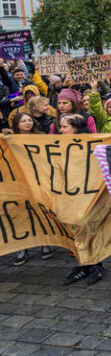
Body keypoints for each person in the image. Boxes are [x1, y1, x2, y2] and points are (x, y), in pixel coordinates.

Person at [60, 114, 106, 285]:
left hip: (88, 193)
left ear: (76, 128)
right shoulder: (58, 143)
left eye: (64, 127)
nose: (60, 130)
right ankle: (83, 264)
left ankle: (96, 265)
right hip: (69, 193)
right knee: (76, 230)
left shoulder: (91, 144)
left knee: (90, 229)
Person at [6, 112, 53, 265]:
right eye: (23, 121)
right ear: (16, 124)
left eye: (29, 120)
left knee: (40, 211)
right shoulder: (9, 139)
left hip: (37, 179)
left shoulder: (40, 136)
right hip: (17, 181)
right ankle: (22, 248)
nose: (27, 123)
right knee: (20, 214)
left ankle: (45, 242)